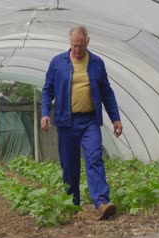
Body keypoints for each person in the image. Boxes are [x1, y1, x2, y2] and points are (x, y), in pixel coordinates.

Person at [40, 25, 123, 220]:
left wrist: (116, 118)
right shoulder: (58, 63)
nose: (77, 50)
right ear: (70, 43)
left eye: (81, 46)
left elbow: (106, 92)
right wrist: (45, 113)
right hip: (66, 121)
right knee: (69, 165)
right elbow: (47, 90)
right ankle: (72, 204)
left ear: (88, 42)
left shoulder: (96, 63)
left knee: (94, 157)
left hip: (89, 120)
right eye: (74, 46)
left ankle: (102, 202)